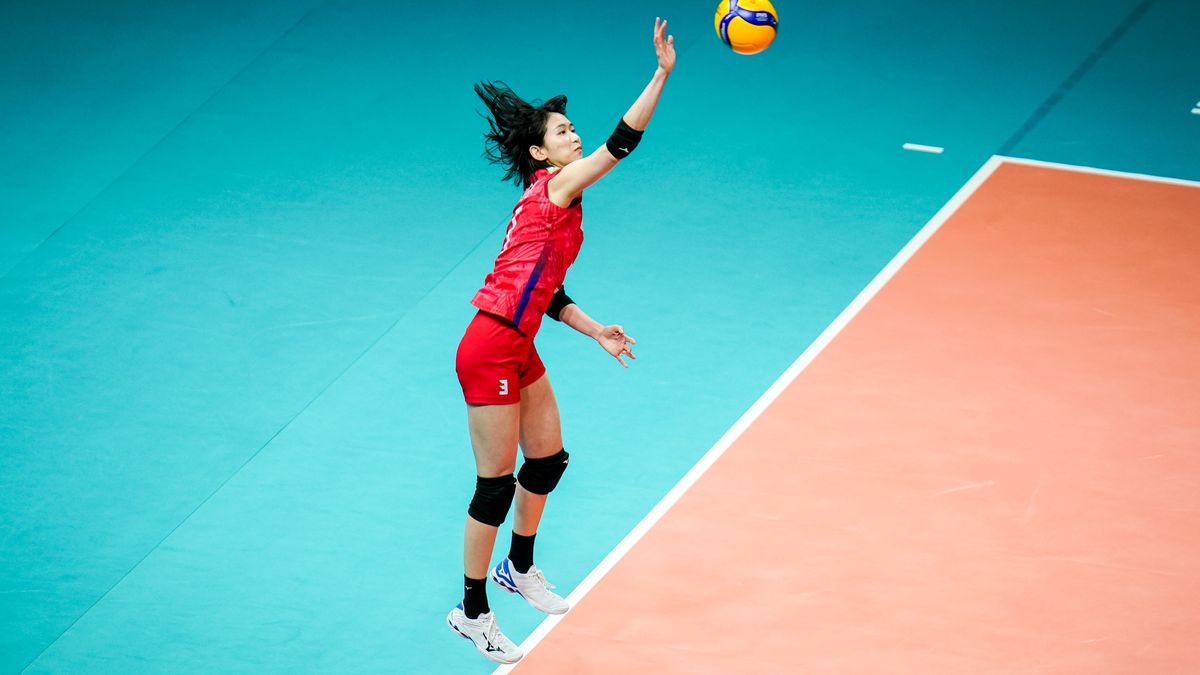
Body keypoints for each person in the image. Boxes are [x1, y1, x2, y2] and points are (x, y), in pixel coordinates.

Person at [445, 17, 677, 665]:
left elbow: (545, 293)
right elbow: (622, 143)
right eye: (562, 131)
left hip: (518, 342)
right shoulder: (561, 183)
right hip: (489, 346)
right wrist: (660, 74)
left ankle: (518, 568)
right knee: (494, 487)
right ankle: (471, 611)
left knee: (546, 462)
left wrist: (595, 328)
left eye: (571, 126)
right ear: (542, 154)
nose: (573, 132)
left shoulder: (550, 196)